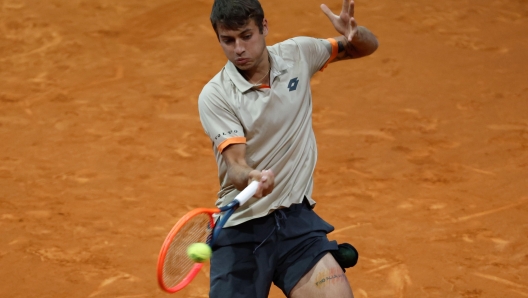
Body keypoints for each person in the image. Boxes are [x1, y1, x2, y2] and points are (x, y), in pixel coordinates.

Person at [197, 0, 378, 297]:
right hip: (243, 228)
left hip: (295, 220)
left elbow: (365, 47)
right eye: (227, 40)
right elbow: (235, 165)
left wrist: (356, 36)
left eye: (246, 36)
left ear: (264, 27)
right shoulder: (216, 96)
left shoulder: (298, 54)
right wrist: (252, 176)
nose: (238, 49)